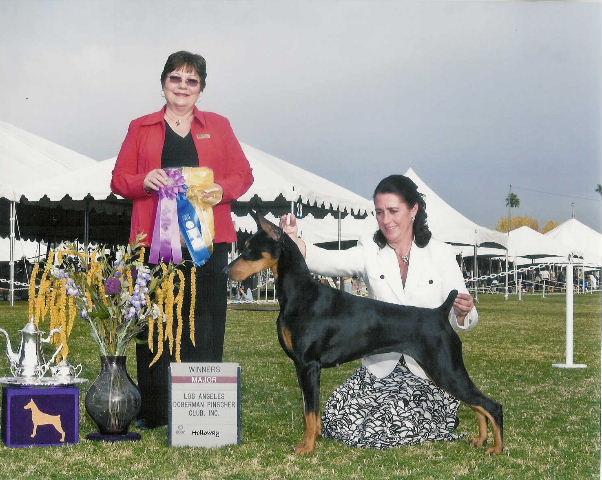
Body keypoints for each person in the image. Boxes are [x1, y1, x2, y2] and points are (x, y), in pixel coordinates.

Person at [280, 174, 478, 449]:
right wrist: (292, 239)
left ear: (414, 210)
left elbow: (467, 311)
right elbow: (324, 259)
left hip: (426, 371)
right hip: (379, 371)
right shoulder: (370, 251)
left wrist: (462, 312)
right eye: (380, 212)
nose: (386, 220)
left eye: (393, 211)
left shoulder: (441, 254)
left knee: (390, 427)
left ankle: (427, 418)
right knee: (340, 422)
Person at [111, 51, 253, 428]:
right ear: (163, 83)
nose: (183, 87)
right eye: (176, 78)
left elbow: (244, 175)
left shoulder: (219, 126)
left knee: (205, 319)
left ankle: (199, 411)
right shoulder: (140, 127)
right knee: (154, 320)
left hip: (209, 241)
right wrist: (144, 180)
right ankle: (156, 411)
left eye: (192, 81)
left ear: (201, 88)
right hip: (153, 242)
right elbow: (119, 179)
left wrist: (222, 190)